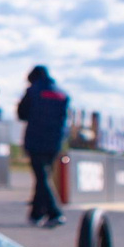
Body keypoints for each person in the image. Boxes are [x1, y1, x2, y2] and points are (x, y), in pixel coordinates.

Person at [19, 65, 70, 228]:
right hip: (54, 141)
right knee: (43, 176)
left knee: (42, 177)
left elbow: (22, 113)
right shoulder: (62, 94)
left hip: (36, 139)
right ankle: (36, 213)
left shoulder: (33, 91)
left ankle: (55, 212)